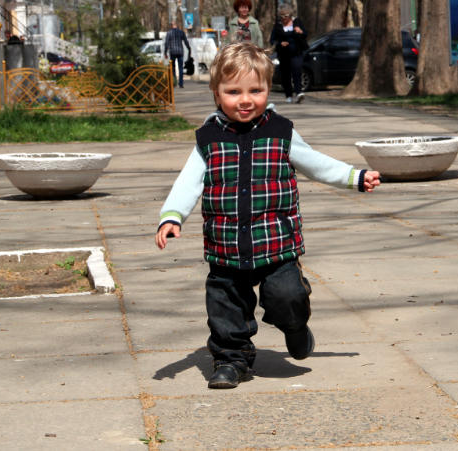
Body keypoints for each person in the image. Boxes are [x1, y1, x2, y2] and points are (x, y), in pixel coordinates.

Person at [154, 43, 380, 389]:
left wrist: (354, 177)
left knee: (286, 296)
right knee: (225, 305)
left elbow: (316, 163)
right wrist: (172, 216)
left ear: (268, 89)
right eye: (234, 92)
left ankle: (295, 326)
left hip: (276, 242)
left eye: (255, 91)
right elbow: (188, 181)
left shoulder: (281, 131)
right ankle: (231, 359)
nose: (245, 100)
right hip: (226, 246)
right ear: (216, 93)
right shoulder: (208, 138)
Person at [269, 3, 308, 104]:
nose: (283, 18)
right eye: (281, 16)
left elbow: (305, 34)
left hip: (296, 52)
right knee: (285, 75)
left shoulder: (297, 22)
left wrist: (300, 32)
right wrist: (280, 43)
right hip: (283, 54)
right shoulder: (277, 26)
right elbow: (272, 40)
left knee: (297, 71)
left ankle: (299, 93)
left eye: (285, 16)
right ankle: (289, 95)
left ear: (290, 15)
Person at [164, 21, 192, 88]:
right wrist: (189, 49)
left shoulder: (169, 33)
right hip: (180, 52)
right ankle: (181, 83)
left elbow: (166, 43)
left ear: (171, 26)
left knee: (173, 68)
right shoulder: (181, 32)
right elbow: (186, 42)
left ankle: (174, 83)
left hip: (172, 52)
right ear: (177, 25)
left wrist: (165, 52)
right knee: (180, 68)